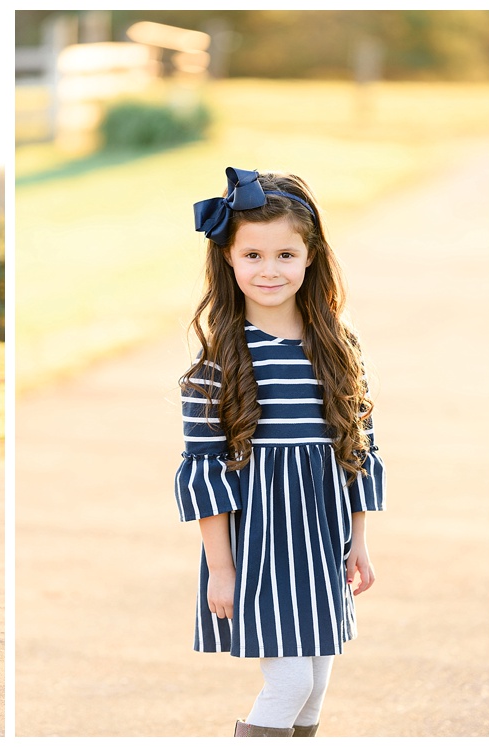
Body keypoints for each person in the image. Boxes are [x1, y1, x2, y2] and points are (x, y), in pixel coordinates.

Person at [175, 167, 387, 737]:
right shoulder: (219, 360)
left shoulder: (339, 347)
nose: (269, 270)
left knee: (316, 686)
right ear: (229, 259)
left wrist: (358, 542)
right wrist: (222, 570)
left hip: (323, 541)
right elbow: (203, 473)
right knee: (290, 683)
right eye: (253, 256)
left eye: (286, 255)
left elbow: (358, 449)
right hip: (260, 549)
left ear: (311, 255)